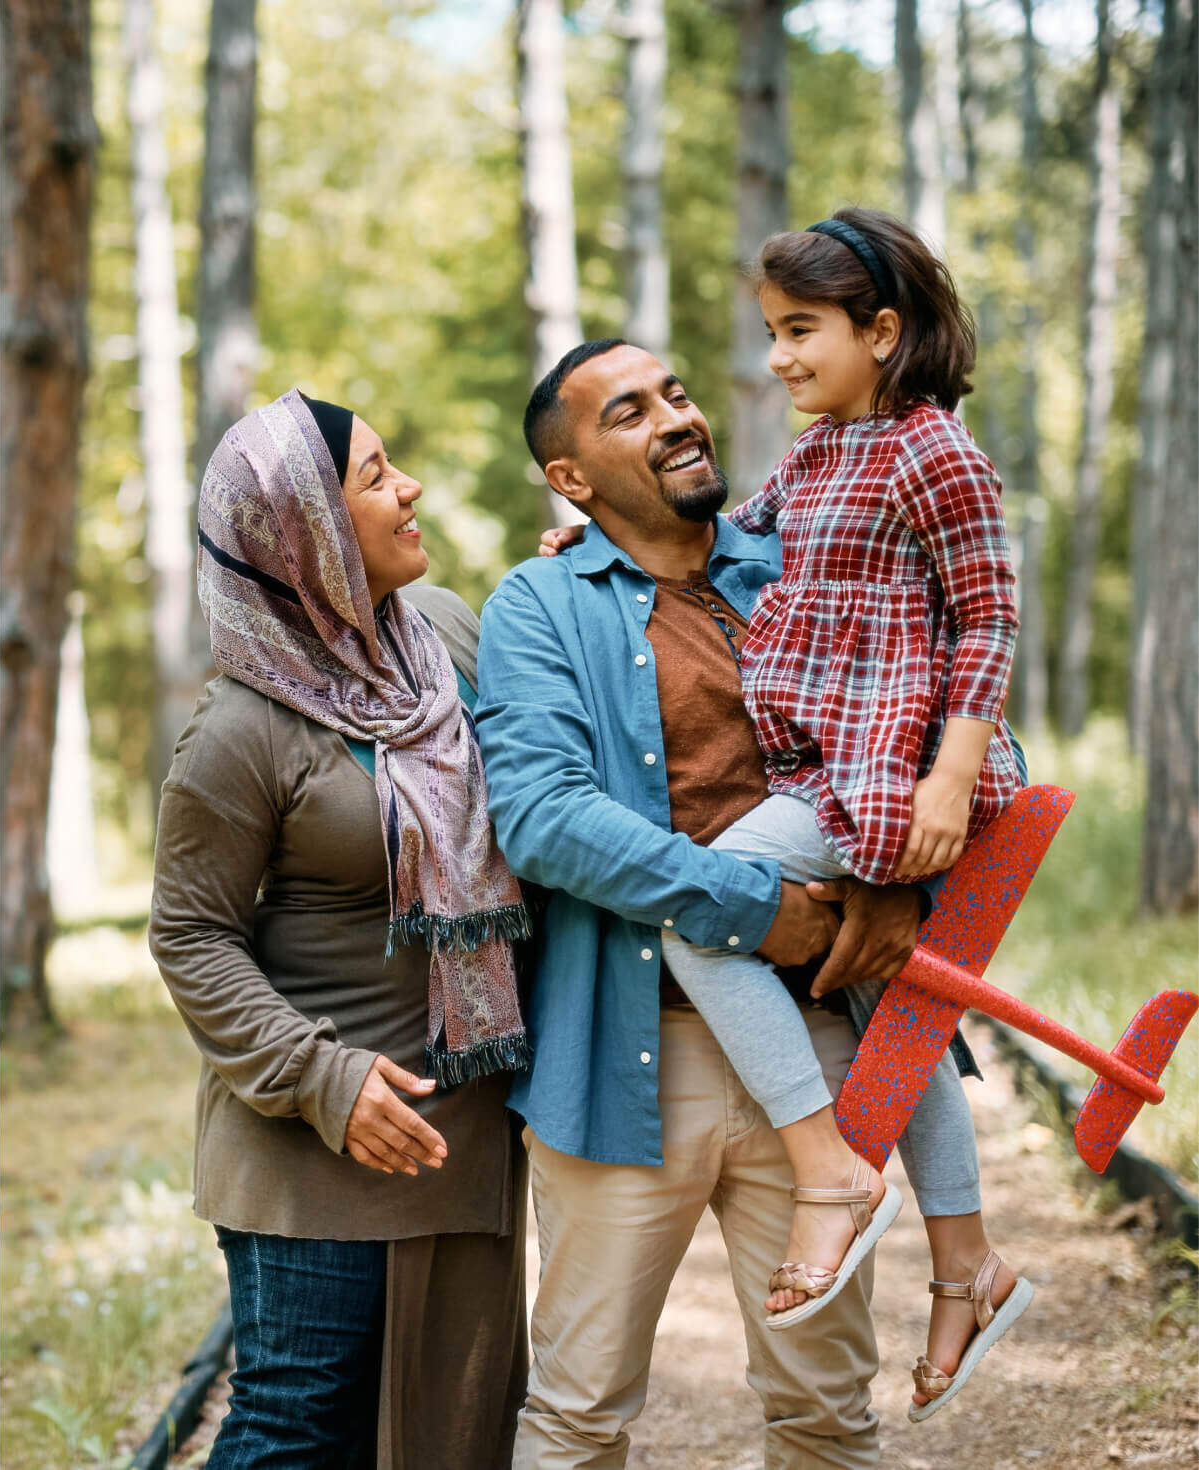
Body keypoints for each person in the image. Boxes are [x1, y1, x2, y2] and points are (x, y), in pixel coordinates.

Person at [541, 209, 1032, 1423]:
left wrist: (951, 780)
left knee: (705, 906)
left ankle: (832, 1175)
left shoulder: (935, 453)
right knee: (887, 1005)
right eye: (770, 333)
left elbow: (987, 620)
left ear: (882, 330)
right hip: (840, 780)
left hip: (895, 777)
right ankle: (967, 1261)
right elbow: (735, 528)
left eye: (799, 331)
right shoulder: (823, 455)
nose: (774, 361)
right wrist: (586, 535)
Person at [476, 339, 935, 1469]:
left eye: (675, 393)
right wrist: (748, 908)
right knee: (579, 1411)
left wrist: (894, 883)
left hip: (819, 1044)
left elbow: (950, 732)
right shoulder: (538, 607)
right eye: (628, 412)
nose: (676, 417)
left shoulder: (808, 565)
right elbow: (540, 813)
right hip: (628, 1062)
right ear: (569, 479)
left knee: (825, 1408)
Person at [149, 388, 529, 1469]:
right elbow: (190, 939)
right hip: (316, 1140)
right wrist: (328, 1081)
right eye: (373, 477)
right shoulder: (242, 728)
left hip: (463, 1127)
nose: (407, 487)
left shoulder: (446, 636)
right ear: (306, 532)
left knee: (442, 1432)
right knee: (296, 1432)